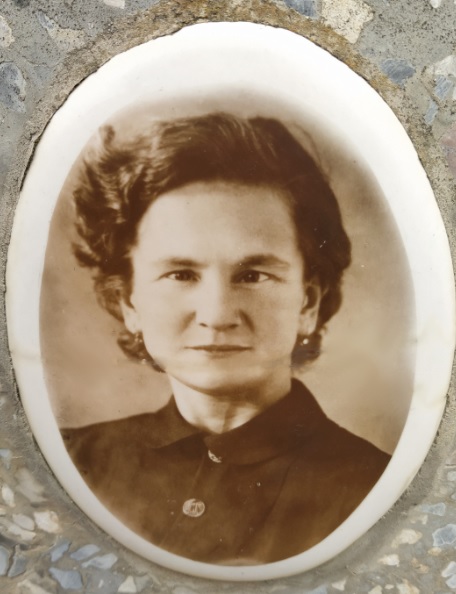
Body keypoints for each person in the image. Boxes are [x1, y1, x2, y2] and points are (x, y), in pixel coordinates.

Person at [61, 112, 390, 565]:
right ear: (129, 303)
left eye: (252, 275)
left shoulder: (378, 491)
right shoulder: (70, 463)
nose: (216, 315)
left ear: (308, 303)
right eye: (181, 274)